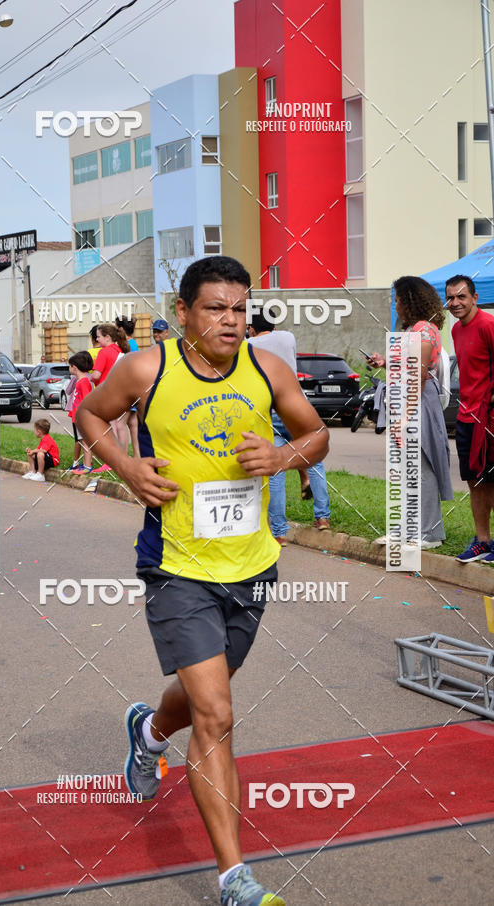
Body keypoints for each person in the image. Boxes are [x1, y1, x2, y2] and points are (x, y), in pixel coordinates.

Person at [77, 255, 328, 906]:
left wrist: (283, 455)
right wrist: (127, 469)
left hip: (250, 564)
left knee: (199, 699)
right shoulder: (146, 368)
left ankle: (149, 732)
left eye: (240, 308)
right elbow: (91, 419)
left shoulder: (266, 368)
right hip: (176, 566)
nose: (231, 320)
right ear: (183, 311)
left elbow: (316, 433)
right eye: (216, 308)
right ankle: (234, 880)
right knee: (216, 713)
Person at [369, 275, 453, 548]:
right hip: (404, 402)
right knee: (406, 470)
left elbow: (418, 372)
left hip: (416, 404)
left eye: (398, 299)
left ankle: (429, 533)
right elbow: (405, 367)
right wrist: (383, 362)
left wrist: (406, 416)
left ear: (410, 300)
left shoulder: (424, 329)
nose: (396, 305)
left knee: (422, 469)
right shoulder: (411, 330)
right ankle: (406, 527)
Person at [248, 308, 331, 540]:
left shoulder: (248, 345)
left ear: (252, 328)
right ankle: (322, 518)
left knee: (276, 470)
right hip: (298, 409)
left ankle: (280, 533)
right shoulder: (287, 337)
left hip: (270, 410)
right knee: (314, 461)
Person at [446, 274, 494, 562]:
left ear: (475, 298)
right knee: (474, 481)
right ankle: (482, 541)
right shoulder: (456, 330)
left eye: (461, 296)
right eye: (450, 297)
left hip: (489, 419)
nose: (455, 302)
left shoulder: (488, 325)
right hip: (466, 418)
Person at [92, 324, 131, 461]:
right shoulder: (121, 350)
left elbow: (96, 375)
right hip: (122, 392)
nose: (97, 339)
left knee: (111, 426)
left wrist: (90, 377)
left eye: (98, 337)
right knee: (122, 426)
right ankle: (123, 456)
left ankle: (113, 459)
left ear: (107, 337)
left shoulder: (103, 352)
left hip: (107, 393)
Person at [117, 315, 140, 456]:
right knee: (133, 424)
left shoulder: (125, 346)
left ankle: (122, 457)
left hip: (128, 388)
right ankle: (137, 455)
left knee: (120, 424)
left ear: (121, 329)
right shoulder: (134, 344)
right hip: (135, 388)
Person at [67, 351, 93, 473]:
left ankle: (87, 466)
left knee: (84, 441)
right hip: (77, 417)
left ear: (74, 367)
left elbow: (87, 400)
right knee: (81, 440)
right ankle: (85, 465)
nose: (69, 368)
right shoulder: (79, 381)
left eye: (70, 366)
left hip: (81, 417)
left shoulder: (84, 382)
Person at [23, 418, 60, 482]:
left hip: (53, 460)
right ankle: (33, 472)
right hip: (45, 458)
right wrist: (31, 451)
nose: (34, 432)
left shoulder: (47, 438)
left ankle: (40, 474)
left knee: (40, 454)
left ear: (39, 431)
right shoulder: (43, 439)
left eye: (35, 430)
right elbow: (38, 449)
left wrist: (33, 451)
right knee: (30, 454)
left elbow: (43, 451)